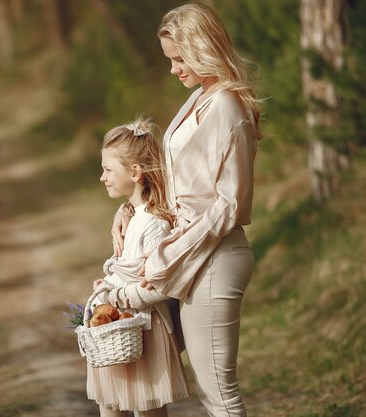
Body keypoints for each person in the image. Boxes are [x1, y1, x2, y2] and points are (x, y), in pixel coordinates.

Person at [111, 3, 260, 417]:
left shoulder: (228, 106)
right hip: (185, 252)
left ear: (202, 48)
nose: (175, 69)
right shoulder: (198, 98)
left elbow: (230, 203)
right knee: (146, 360)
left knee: (217, 390)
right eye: (171, 60)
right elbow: (179, 181)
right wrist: (133, 207)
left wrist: (174, 250)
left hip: (212, 256)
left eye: (180, 58)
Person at [87, 117, 189, 417]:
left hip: (144, 330)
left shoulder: (155, 224)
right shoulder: (132, 215)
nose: (102, 177)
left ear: (135, 172)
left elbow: (158, 286)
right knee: (111, 405)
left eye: (108, 169)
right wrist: (109, 285)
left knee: (148, 410)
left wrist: (115, 294)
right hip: (120, 327)